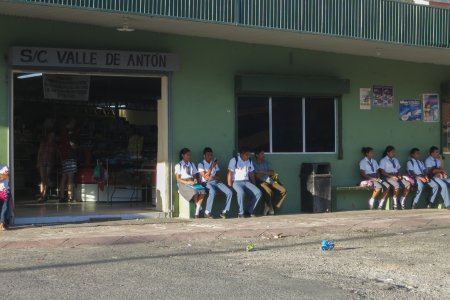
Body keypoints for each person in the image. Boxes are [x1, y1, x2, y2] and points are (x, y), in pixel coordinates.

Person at [198, 147, 233, 219]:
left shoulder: (214, 163)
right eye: (208, 155)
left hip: (216, 182)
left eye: (211, 155)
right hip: (206, 183)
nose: (210, 157)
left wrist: (213, 177)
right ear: (204, 156)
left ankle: (224, 211)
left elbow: (218, 175)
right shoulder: (201, 164)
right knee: (212, 192)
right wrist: (211, 167)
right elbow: (206, 177)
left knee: (229, 192)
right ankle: (207, 212)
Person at [227, 147, 262, 217]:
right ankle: (241, 213)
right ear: (242, 154)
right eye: (247, 155)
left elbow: (251, 173)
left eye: (249, 155)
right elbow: (229, 174)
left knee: (258, 192)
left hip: (247, 181)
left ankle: (249, 211)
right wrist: (230, 186)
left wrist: (254, 183)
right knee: (241, 193)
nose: (248, 156)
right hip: (236, 182)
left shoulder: (249, 160)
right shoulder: (234, 160)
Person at [253, 148, 286, 215]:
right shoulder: (254, 164)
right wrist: (267, 172)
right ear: (257, 155)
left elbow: (273, 173)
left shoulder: (267, 163)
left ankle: (271, 206)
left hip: (272, 179)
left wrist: (262, 171)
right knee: (269, 191)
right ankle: (269, 207)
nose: (264, 155)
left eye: (263, 154)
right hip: (261, 181)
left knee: (283, 190)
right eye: (262, 154)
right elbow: (257, 176)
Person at [175, 148, 206, 218]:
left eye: (189, 155)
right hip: (183, 182)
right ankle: (197, 210)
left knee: (202, 191)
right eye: (187, 155)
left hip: (191, 181)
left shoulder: (192, 164)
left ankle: (197, 209)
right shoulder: (179, 165)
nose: (189, 156)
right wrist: (187, 182)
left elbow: (194, 175)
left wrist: (195, 180)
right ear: (182, 155)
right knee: (194, 191)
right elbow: (178, 179)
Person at [379, 145, 411, 209]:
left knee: (408, 184)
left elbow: (398, 169)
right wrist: (391, 176)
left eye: (394, 152)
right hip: (387, 177)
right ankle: (395, 202)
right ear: (388, 153)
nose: (394, 153)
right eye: (392, 152)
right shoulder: (383, 160)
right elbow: (382, 172)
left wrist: (399, 175)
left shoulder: (395, 160)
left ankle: (401, 200)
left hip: (396, 176)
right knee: (396, 185)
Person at [58, 119, 78, 203]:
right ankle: (70, 197)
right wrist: (76, 147)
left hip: (64, 157)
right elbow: (72, 145)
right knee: (70, 178)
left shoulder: (62, 133)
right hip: (70, 157)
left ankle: (62, 196)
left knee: (64, 177)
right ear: (70, 123)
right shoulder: (69, 133)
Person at [36, 131, 57, 203]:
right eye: (51, 135)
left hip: (49, 162)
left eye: (53, 136)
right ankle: (42, 195)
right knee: (42, 179)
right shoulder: (44, 143)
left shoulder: (54, 145)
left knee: (46, 178)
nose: (52, 137)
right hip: (42, 161)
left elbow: (54, 154)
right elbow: (39, 152)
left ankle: (44, 195)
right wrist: (38, 162)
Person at [0, 165, 11, 231]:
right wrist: (3, 175)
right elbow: (5, 176)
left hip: (5, 191)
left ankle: (2, 224)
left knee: (5, 208)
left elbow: (7, 176)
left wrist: (4, 175)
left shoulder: (5, 167)